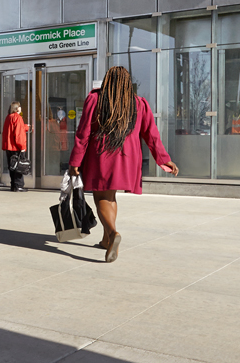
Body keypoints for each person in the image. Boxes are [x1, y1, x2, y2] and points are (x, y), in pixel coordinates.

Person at [68, 65, 178, 263]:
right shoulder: (139, 103)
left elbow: (83, 133)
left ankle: (112, 233)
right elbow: (151, 134)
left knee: (101, 196)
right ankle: (105, 239)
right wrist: (163, 159)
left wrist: (75, 161)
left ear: (107, 81)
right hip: (128, 157)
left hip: (101, 155)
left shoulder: (95, 99)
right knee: (111, 196)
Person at [2, 101, 31, 192]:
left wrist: (26, 127)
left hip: (8, 147)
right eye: (19, 106)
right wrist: (22, 147)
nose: (21, 108)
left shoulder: (8, 117)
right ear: (17, 108)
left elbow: (14, 129)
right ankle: (19, 186)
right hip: (16, 147)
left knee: (12, 166)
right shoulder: (17, 118)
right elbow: (18, 133)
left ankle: (13, 185)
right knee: (19, 166)